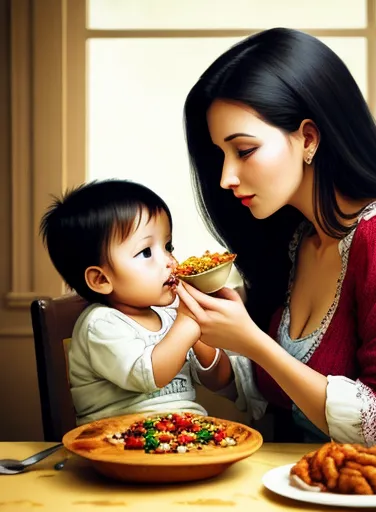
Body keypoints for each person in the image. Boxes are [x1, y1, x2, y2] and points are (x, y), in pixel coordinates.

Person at [178, 27, 376, 447]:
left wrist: (256, 344)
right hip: (301, 484)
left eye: (243, 151)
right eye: (219, 156)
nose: (225, 177)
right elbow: (277, 388)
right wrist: (208, 332)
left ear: (308, 138)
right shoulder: (298, 240)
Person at [40, 179, 232, 425]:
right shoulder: (100, 324)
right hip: (115, 442)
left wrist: (201, 331)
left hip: (183, 434)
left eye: (167, 246)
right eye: (146, 252)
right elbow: (149, 376)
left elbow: (219, 380)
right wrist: (188, 323)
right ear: (101, 279)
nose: (170, 261)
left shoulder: (171, 316)